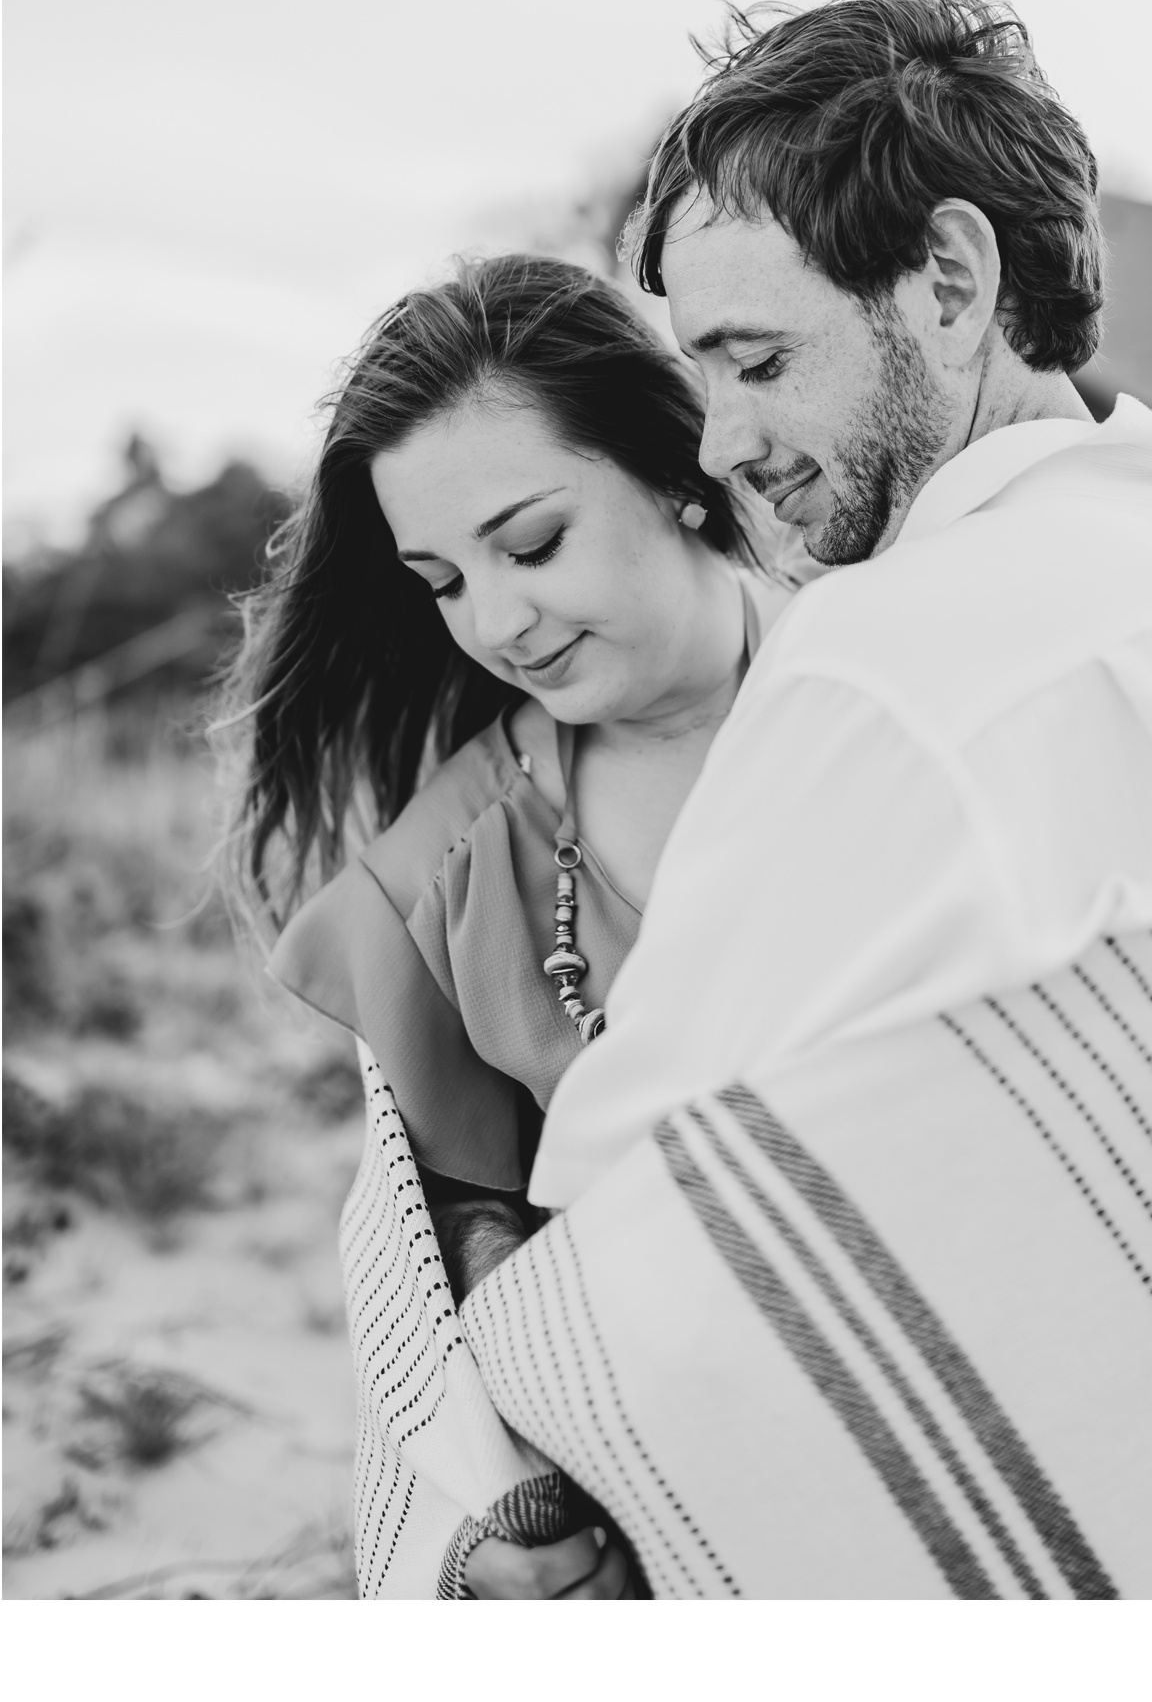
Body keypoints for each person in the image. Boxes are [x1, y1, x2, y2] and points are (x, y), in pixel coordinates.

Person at [446, 0, 1152, 1597]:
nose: (719, 442)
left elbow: (628, 1217)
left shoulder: (878, 668)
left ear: (953, 285)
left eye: (759, 361)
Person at [218, 252, 791, 1597]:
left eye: (530, 545)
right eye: (442, 579)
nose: (499, 621)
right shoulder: (450, 875)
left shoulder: (917, 690)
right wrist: (517, 1507)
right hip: (666, 1496)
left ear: (677, 465)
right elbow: (453, 1227)